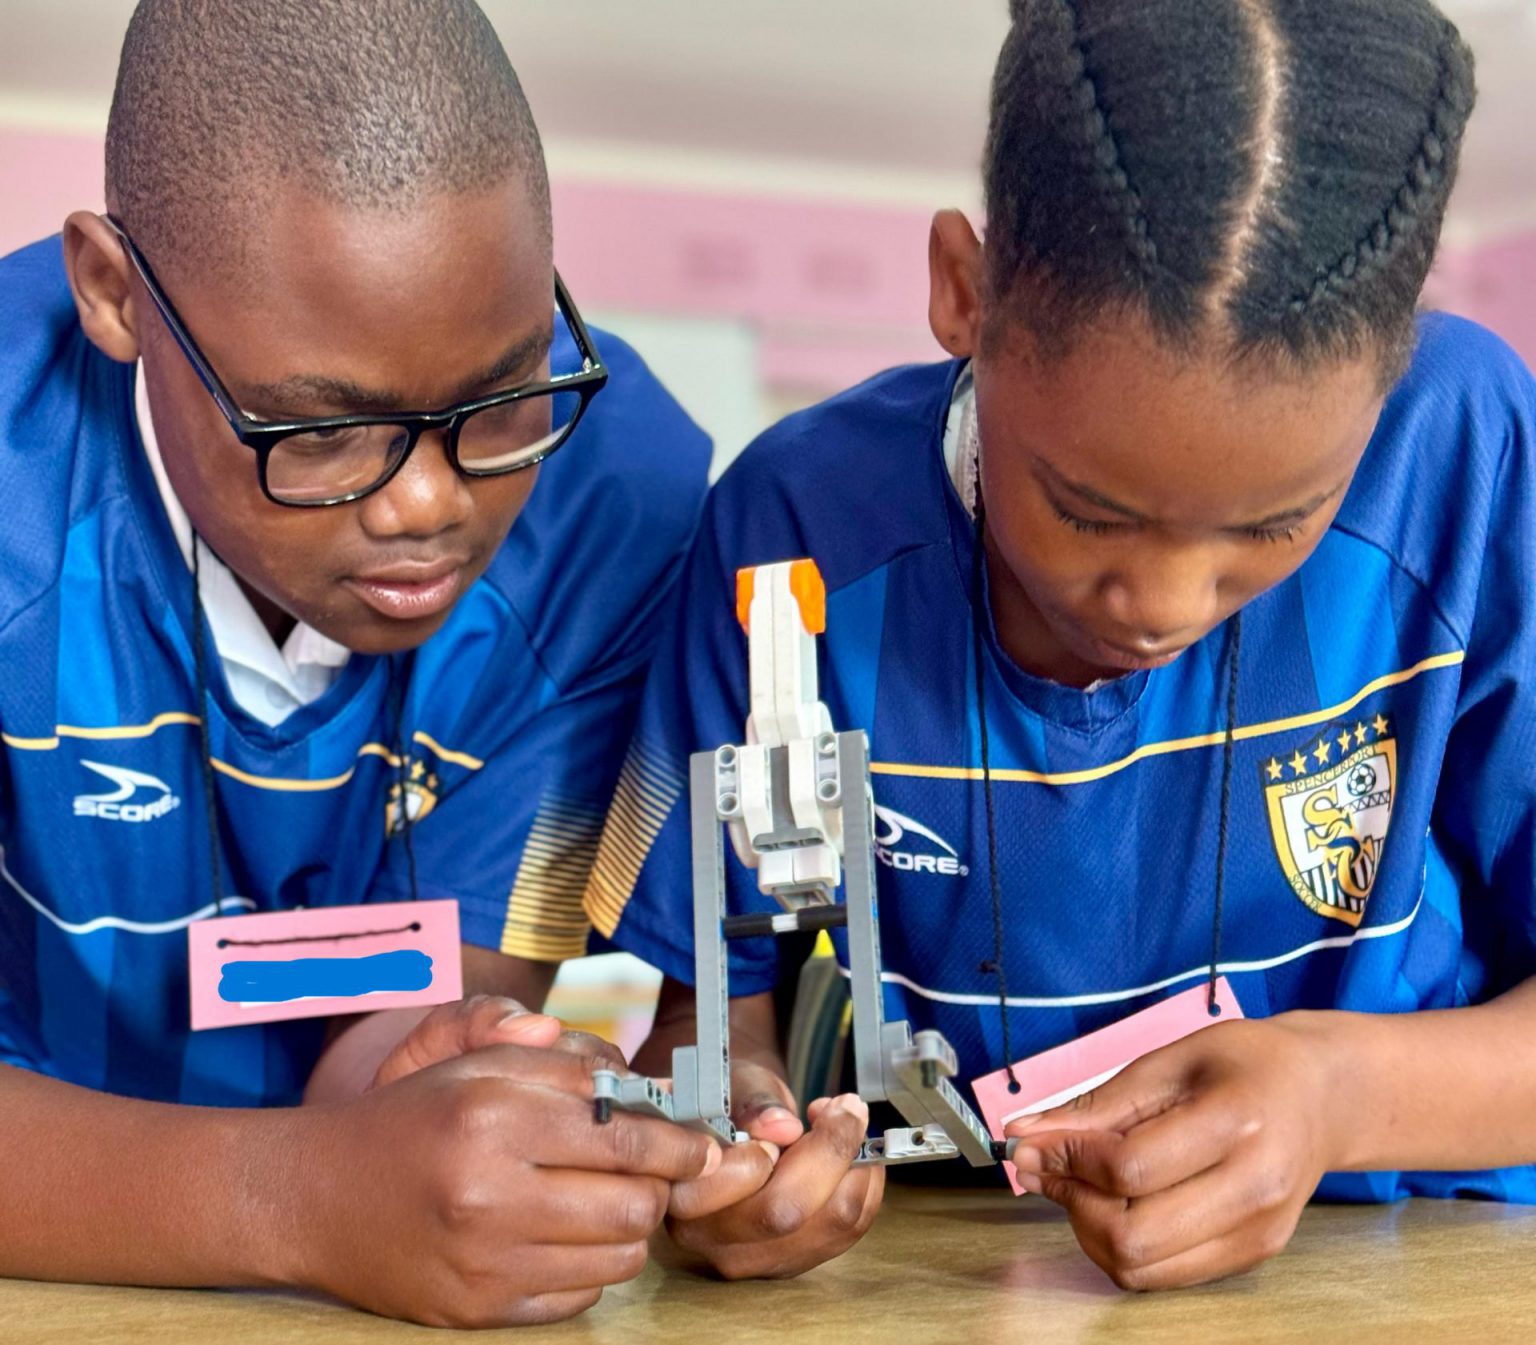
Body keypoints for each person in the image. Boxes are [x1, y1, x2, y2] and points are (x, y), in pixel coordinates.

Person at [585, 0, 1536, 1290]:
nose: (1159, 602)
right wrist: (738, 1141)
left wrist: (1339, 1095)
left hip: (1442, 1251)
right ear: (963, 294)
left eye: (1274, 524)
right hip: (1005, 1272)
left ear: (1384, 387)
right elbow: (713, 1007)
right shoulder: (793, 538)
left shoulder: (1470, 451)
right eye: (1087, 509)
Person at [0, 0, 718, 1327]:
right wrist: (294, 1201)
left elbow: (431, 1003)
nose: (426, 506)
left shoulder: (625, 506)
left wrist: (440, 1081)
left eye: (503, 395)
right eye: (319, 433)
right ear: (114, 294)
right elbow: (319, 1191)